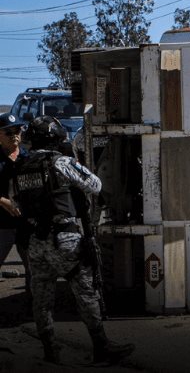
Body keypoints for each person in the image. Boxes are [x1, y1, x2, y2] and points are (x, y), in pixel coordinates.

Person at [10, 115, 134, 365]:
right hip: (64, 237)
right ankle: (101, 347)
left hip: (36, 240)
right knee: (85, 291)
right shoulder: (60, 162)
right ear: (56, 137)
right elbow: (95, 185)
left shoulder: (21, 168)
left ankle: (50, 351)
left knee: (42, 298)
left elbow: (16, 202)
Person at [0, 113, 28, 285]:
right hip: (2, 224)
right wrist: (3, 201)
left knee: (33, 268)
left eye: (17, 130)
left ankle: (34, 307)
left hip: (26, 224)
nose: (15, 135)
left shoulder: (28, 158)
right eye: (8, 132)